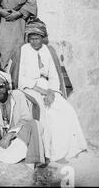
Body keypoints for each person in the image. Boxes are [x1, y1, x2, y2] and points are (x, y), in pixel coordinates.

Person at [8, 19, 87, 162]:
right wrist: (42, 92)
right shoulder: (23, 50)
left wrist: (51, 92)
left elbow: (53, 75)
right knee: (46, 112)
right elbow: (21, 78)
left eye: (37, 38)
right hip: (30, 88)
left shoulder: (48, 50)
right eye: (31, 38)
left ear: (42, 38)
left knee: (65, 109)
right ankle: (51, 152)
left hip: (47, 87)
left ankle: (68, 148)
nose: (34, 41)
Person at [0, 70, 45, 168]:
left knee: (34, 124)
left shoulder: (17, 95)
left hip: (16, 138)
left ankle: (32, 160)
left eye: (0, 87)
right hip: (0, 142)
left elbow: (26, 118)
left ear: (7, 86)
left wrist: (9, 136)